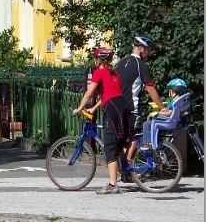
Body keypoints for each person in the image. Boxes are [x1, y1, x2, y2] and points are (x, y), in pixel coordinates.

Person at [75, 47, 131, 194]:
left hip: (112, 109)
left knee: (110, 146)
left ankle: (113, 185)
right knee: (120, 141)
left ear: (99, 59)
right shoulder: (114, 73)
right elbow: (109, 94)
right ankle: (126, 169)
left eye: (96, 58)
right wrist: (93, 109)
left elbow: (89, 92)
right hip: (121, 106)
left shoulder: (99, 72)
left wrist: (80, 108)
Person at [114, 36, 166, 164]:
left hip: (116, 106)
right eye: (148, 50)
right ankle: (127, 166)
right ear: (141, 48)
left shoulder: (120, 63)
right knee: (133, 138)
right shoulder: (140, 65)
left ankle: (124, 168)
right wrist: (162, 107)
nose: (149, 53)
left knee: (120, 139)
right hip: (131, 108)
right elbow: (150, 88)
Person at [141, 78, 190, 149]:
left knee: (147, 124)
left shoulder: (175, 102)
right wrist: (164, 110)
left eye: (170, 90)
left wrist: (157, 113)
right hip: (176, 121)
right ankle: (158, 141)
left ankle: (148, 145)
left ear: (173, 91)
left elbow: (170, 113)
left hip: (169, 122)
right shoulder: (181, 101)